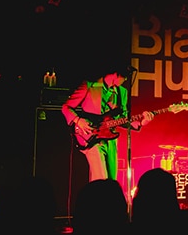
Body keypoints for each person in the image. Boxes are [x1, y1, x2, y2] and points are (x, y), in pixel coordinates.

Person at [61, 65, 154, 200]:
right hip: (91, 137)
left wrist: (141, 123)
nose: (125, 81)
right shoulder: (90, 86)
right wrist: (78, 120)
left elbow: (122, 120)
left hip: (111, 140)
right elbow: (66, 107)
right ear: (116, 74)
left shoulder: (122, 92)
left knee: (112, 181)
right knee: (100, 178)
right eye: (124, 78)